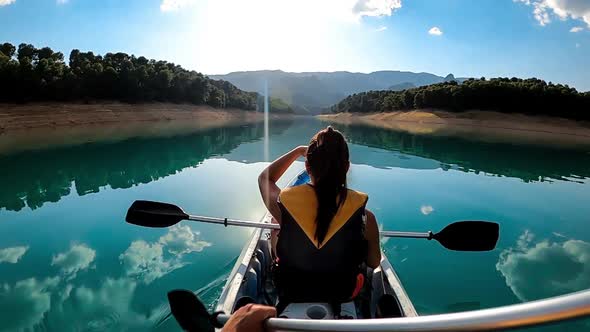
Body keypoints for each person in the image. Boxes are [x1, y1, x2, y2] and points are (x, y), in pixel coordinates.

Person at [258, 126, 381, 317]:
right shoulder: (366, 217)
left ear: (307, 167)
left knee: (276, 228)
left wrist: (298, 151)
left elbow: (265, 178)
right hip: (343, 292)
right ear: (346, 167)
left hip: (292, 290)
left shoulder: (285, 205)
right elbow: (374, 262)